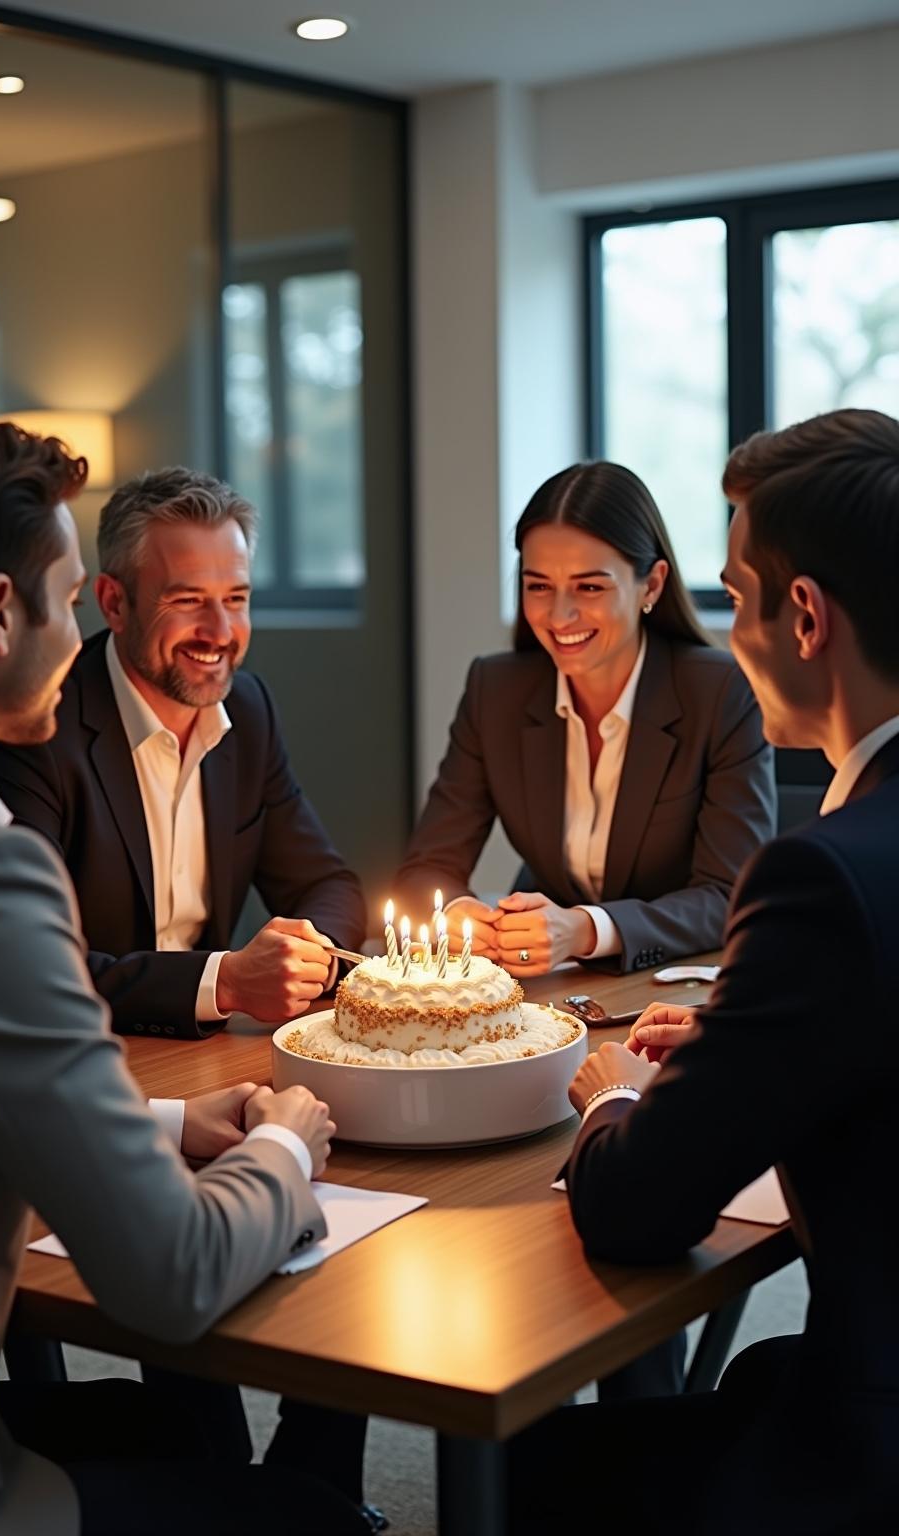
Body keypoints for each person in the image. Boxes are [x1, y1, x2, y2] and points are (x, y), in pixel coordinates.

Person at [0, 405, 368, 1536]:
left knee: (188, 1446)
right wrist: (288, 1138)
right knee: (308, 1518)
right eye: (59, 601)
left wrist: (168, 1126)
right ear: (6, 614)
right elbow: (174, 1271)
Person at [510, 408, 899, 1535]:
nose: (729, 632)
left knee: (525, 1470)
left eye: (736, 598)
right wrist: (749, 1046)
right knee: (734, 1385)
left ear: (807, 617)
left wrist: (614, 1097)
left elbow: (637, 1209)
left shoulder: (821, 876)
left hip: (871, 1439)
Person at [0, 465, 366, 1043]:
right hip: (83, 1053)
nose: (220, 631)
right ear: (113, 602)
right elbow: (27, 965)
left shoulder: (250, 710)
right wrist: (227, 982)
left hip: (211, 1055)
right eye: (188, 601)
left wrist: (310, 956)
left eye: (235, 599)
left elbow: (330, 885)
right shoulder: (38, 727)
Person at [395, 461, 776, 979]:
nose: (559, 616)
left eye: (590, 588)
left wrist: (588, 928)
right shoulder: (496, 689)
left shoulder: (722, 692)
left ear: (652, 585)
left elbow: (729, 895)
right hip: (547, 985)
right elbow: (426, 869)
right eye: (538, 586)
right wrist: (461, 914)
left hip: (679, 985)